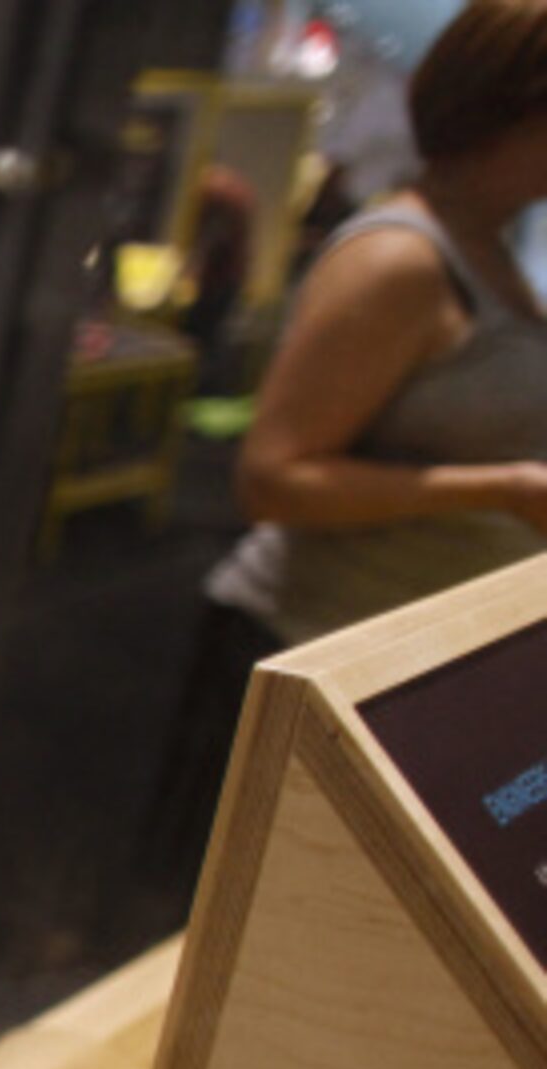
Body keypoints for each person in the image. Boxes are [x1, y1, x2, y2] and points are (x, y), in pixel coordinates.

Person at [235, 0, 547, 645]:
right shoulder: (400, 260)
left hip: (397, 643)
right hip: (311, 643)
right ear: (521, 111)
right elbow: (272, 479)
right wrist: (503, 488)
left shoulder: (488, 245)